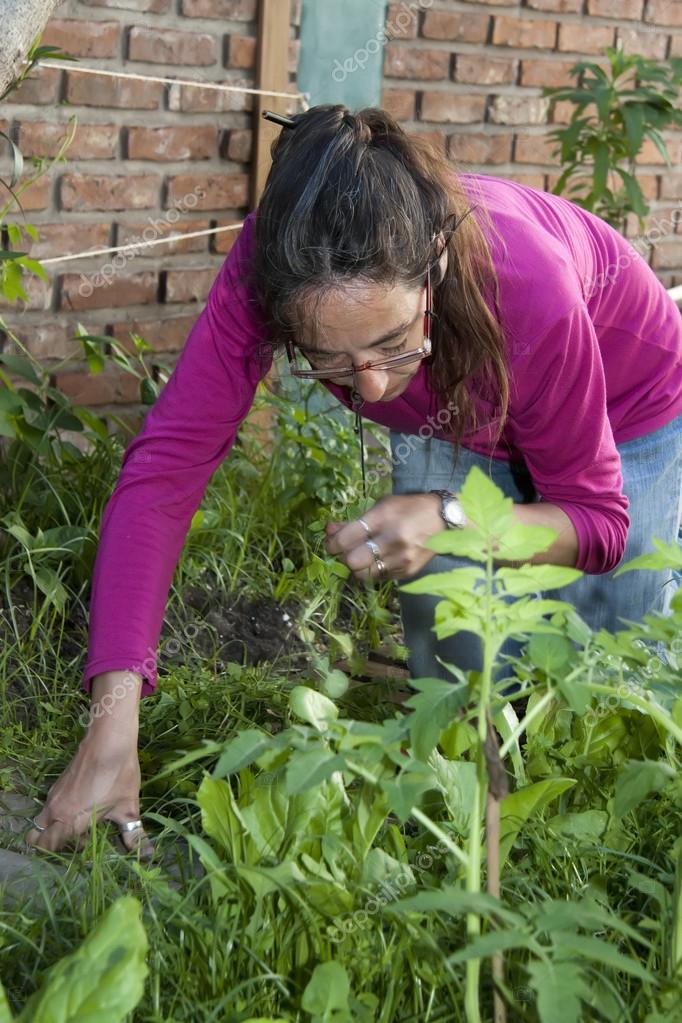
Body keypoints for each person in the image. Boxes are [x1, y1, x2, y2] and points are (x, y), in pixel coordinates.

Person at [27, 104, 682, 855]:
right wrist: (113, 723)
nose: (370, 390)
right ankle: (466, 847)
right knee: (462, 680)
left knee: (609, 687)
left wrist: (453, 518)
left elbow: (599, 526)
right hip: (465, 414)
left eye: (391, 343)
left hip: (628, 406)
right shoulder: (273, 266)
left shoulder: (526, 280)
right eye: (328, 358)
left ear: (433, 265)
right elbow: (164, 474)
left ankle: (610, 865)